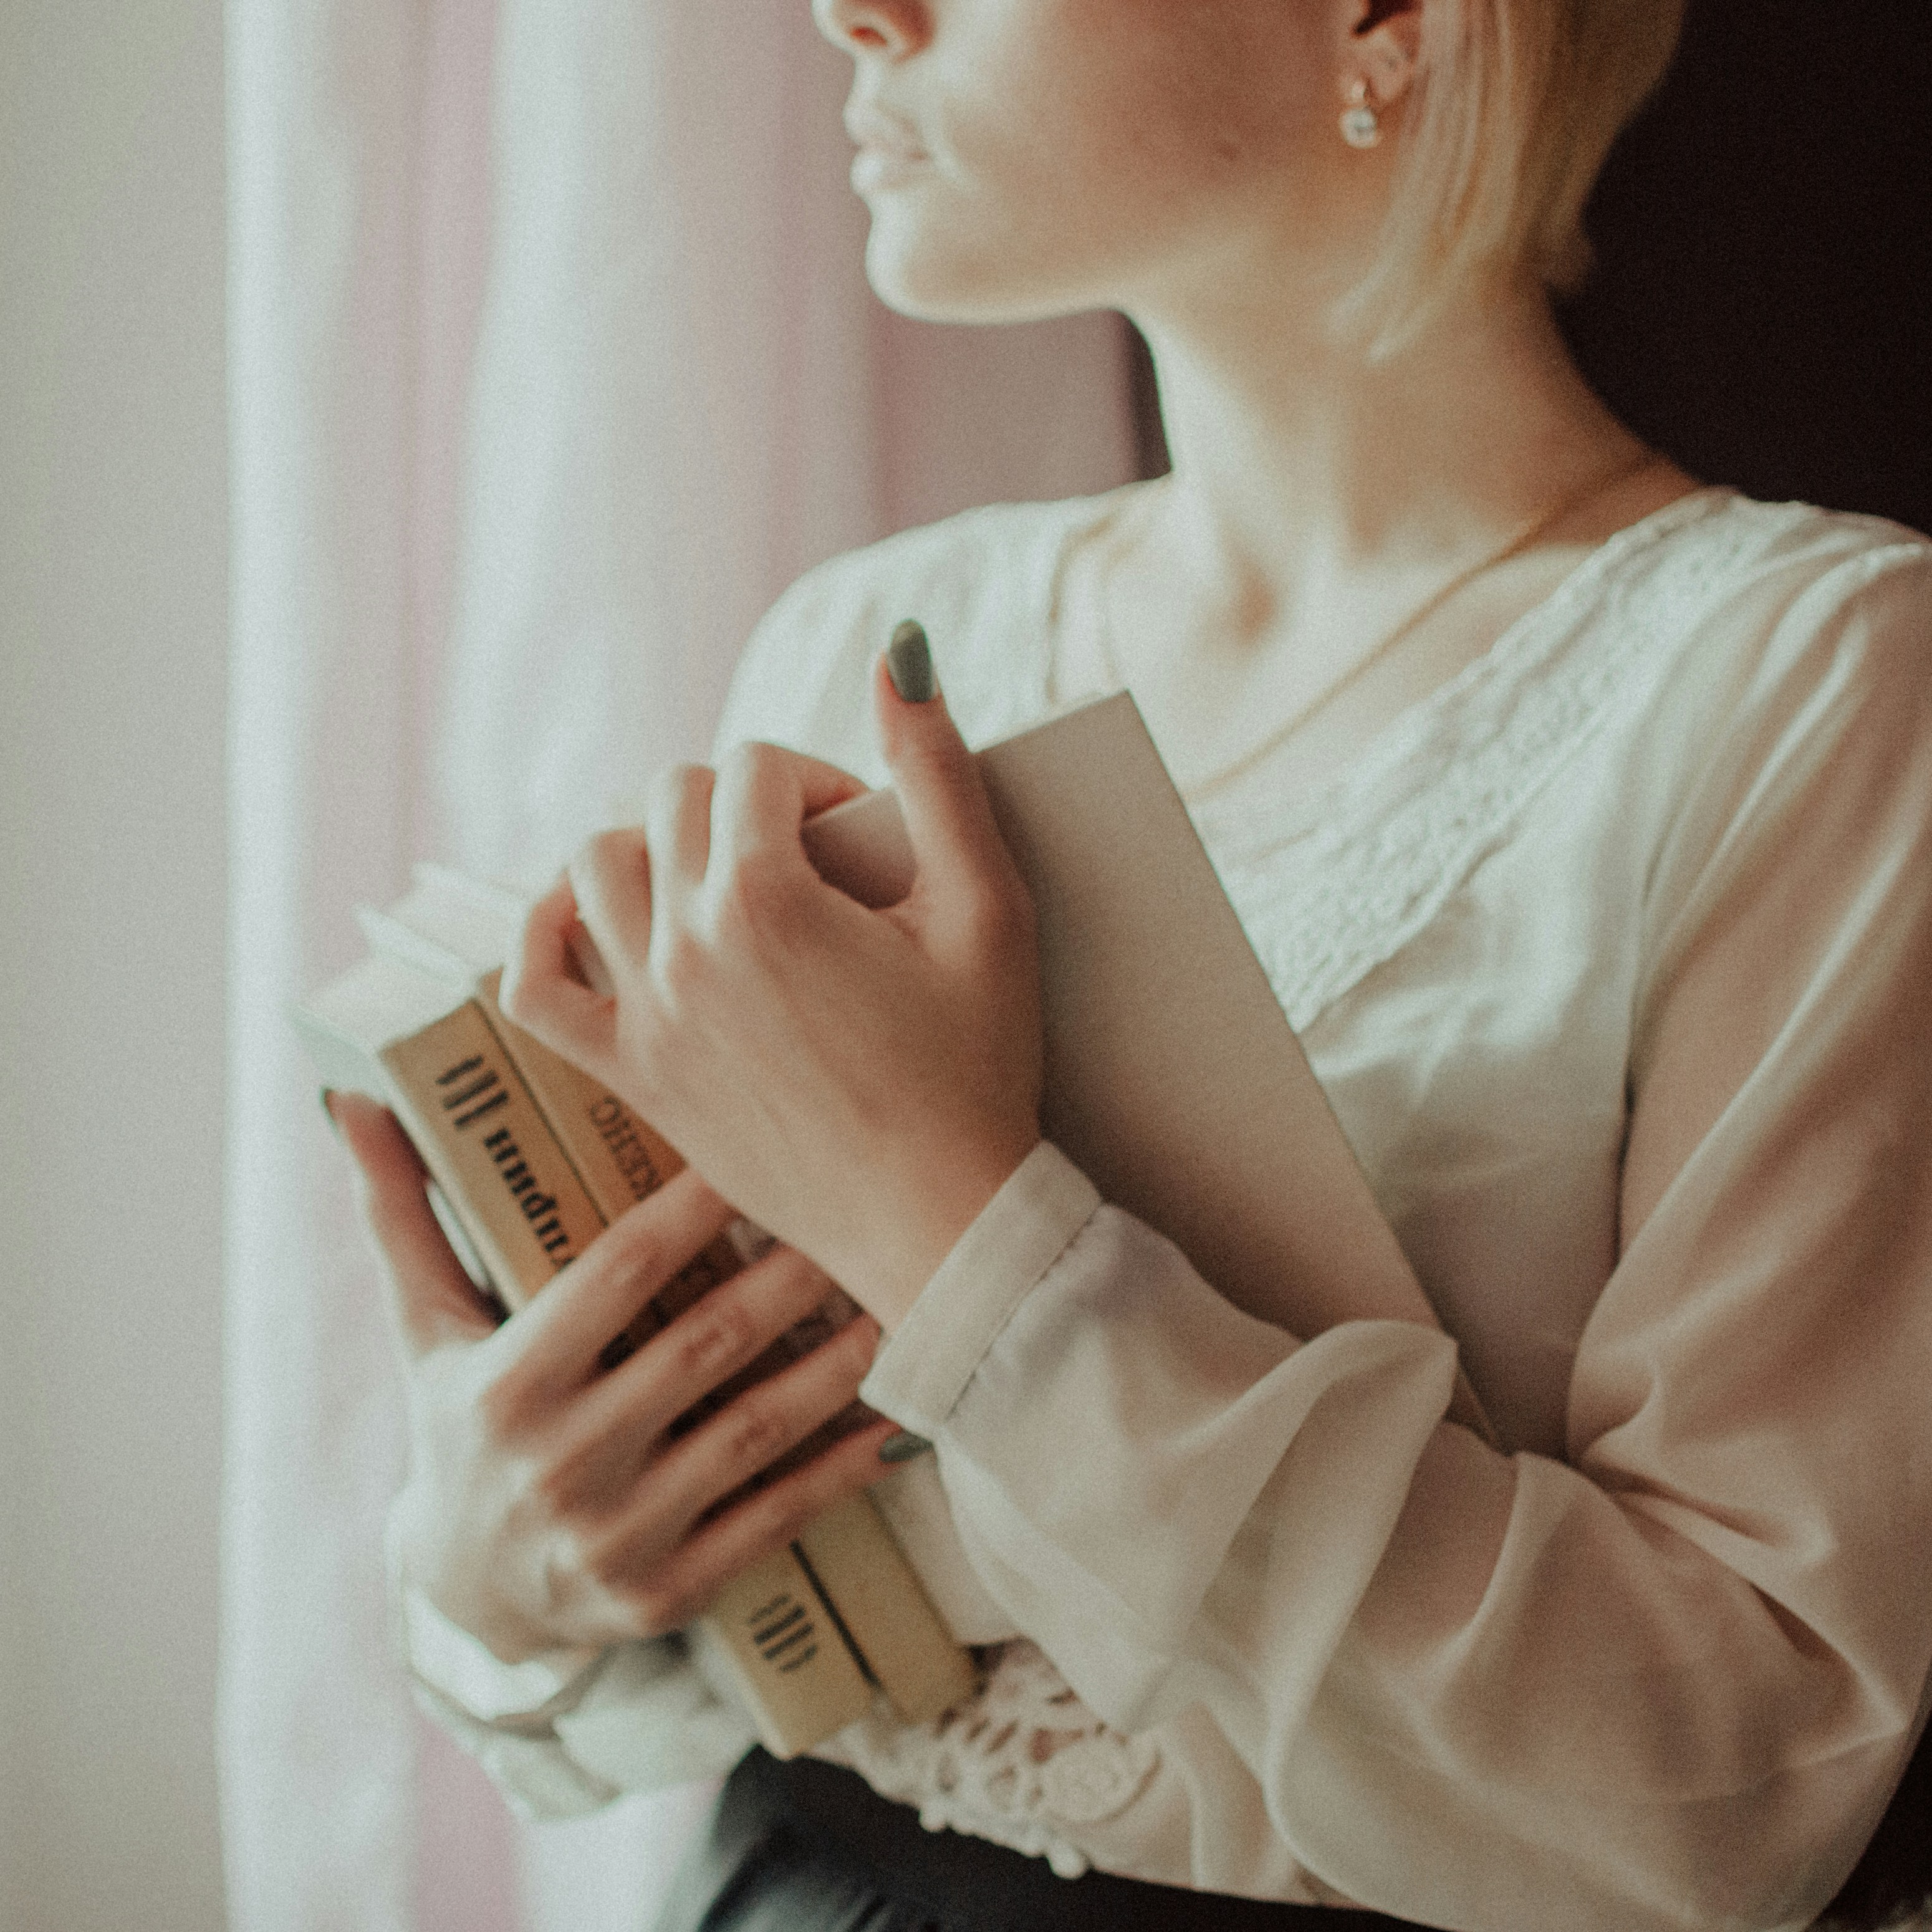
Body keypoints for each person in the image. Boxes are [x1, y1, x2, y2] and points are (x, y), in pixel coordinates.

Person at [326, 0, 1932, 1926]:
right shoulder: (870, 636)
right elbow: (760, 1622)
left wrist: (964, 1231)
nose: (855, 13)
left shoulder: (1808, 685)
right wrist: (509, 1565)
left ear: (1384, 19)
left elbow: (1734, 1793)